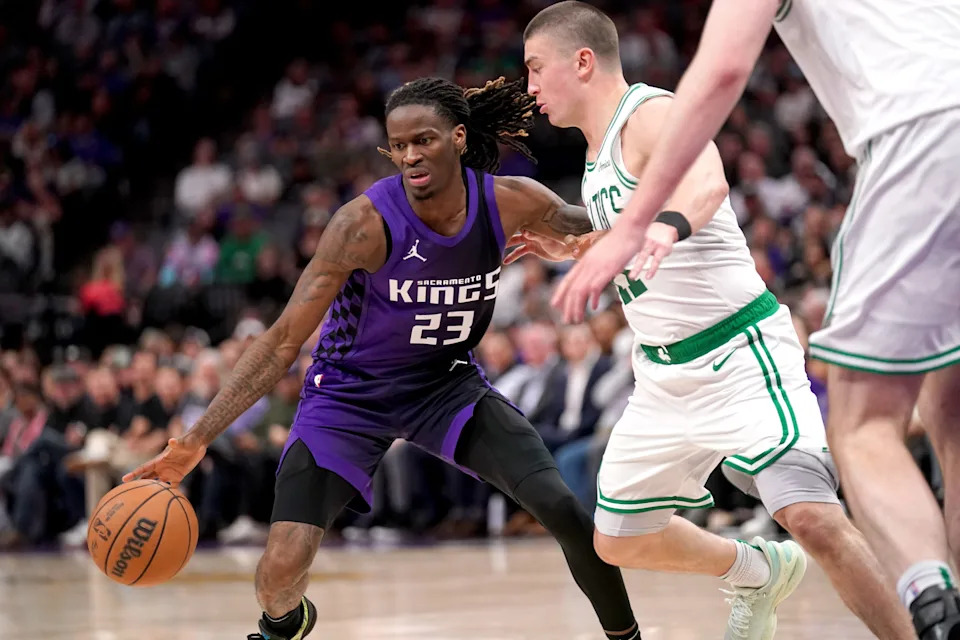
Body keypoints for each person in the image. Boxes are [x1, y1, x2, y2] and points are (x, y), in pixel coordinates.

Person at [123, 76, 640, 640]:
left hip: (446, 387)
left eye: (425, 140)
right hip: (349, 395)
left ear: (459, 138)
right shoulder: (361, 224)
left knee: (562, 507)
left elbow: (597, 223)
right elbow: (280, 342)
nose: (410, 155)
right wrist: (195, 440)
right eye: (399, 145)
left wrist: (662, 197)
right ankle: (284, 626)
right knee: (278, 572)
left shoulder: (512, 201)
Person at [548, 0, 960, 638]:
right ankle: (757, 571)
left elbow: (707, 178)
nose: (529, 88)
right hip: (662, 377)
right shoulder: (597, 154)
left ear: (580, 62)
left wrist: (663, 225)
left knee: (813, 516)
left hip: (740, 354)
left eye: (533, 68)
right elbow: (631, 237)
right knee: (618, 538)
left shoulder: (649, 112)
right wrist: (584, 243)